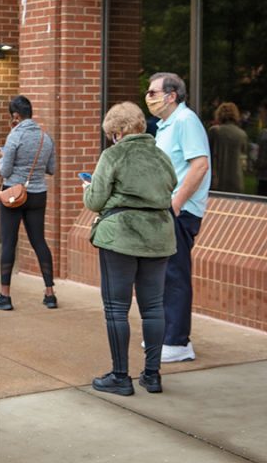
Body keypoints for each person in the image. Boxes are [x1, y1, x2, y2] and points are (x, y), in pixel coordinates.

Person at [83, 102, 177, 396]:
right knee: (153, 308)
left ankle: (120, 377)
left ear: (117, 132)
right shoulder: (161, 157)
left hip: (119, 238)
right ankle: (152, 375)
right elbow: (168, 189)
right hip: (159, 237)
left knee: (116, 309)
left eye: (112, 133)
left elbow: (95, 202)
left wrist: (95, 193)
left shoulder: (112, 155)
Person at [147, 72, 210, 363]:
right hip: (167, 210)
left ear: (171, 96)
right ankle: (165, 337)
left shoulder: (186, 121)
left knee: (175, 275)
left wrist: (176, 203)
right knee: (163, 275)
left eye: (153, 93)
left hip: (179, 213)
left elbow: (200, 165)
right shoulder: (165, 125)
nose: (149, 98)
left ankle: (178, 342)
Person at [0, 95, 57, 310]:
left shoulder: (15, 136)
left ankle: (5, 296)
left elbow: (5, 170)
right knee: (39, 241)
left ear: (15, 116)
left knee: (9, 243)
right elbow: (51, 169)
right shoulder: (45, 137)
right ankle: (50, 293)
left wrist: (2, 156)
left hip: (12, 194)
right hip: (38, 194)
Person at [208, 102, 248, 193]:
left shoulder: (215, 131)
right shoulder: (242, 134)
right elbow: (244, 160)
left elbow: (208, 154)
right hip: (237, 179)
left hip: (218, 179)